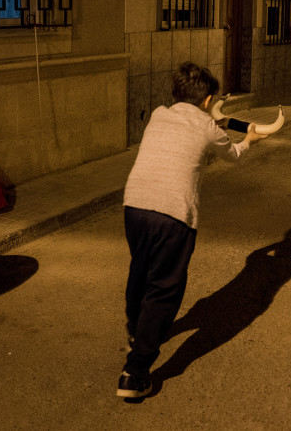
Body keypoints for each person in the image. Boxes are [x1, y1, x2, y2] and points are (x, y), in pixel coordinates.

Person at [117, 62, 267, 398]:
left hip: (135, 205)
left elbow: (193, 123)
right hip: (173, 214)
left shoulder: (159, 113)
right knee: (164, 289)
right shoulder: (210, 129)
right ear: (208, 99)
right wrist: (250, 138)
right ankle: (135, 373)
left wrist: (212, 112)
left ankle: (134, 328)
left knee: (139, 271)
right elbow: (235, 155)